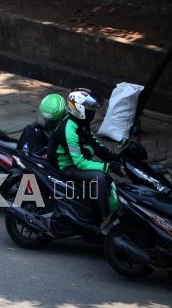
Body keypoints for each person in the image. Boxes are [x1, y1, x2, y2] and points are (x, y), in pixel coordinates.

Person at [49, 88, 121, 227]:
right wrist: (108, 166)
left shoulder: (81, 124)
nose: (92, 112)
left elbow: (94, 142)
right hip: (67, 167)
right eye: (89, 109)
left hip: (76, 162)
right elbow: (80, 162)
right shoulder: (69, 130)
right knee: (99, 177)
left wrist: (114, 157)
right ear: (78, 109)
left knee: (103, 173)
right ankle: (105, 219)